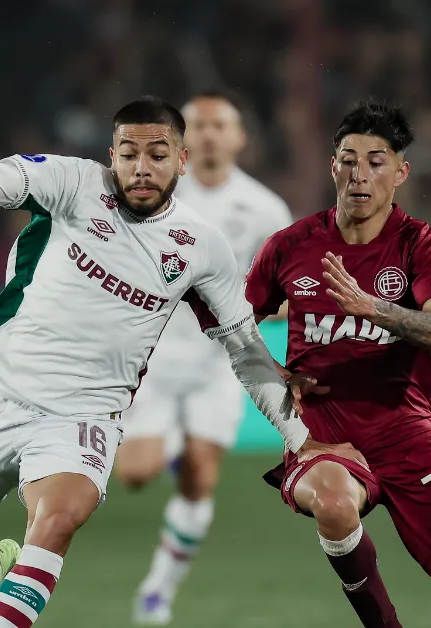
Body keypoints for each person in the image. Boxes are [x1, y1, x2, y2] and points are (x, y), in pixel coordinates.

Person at [0, 96, 337, 628]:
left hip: (85, 415)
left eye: (158, 155)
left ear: (180, 161)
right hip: (0, 394)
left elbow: (246, 349)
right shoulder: (75, 183)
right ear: (112, 154)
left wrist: (299, 436)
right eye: (130, 153)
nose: (142, 168)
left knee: (55, 523)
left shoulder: (202, 248)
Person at [246, 102, 431, 628]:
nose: (360, 173)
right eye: (348, 159)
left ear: (401, 172)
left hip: (408, 437)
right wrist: (276, 373)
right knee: (335, 501)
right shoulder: (289, 247)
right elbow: (232, 327)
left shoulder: (419, 245)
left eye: (377, 161)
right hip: (321, 437)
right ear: (331, 166)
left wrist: (375, 308)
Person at [107, 89, 294, 625]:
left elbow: (284, 291)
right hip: (156, 357)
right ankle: (164, 451)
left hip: (221, 362)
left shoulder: (264, 209)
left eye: (221, 125)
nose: (210, 134)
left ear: (240, 138)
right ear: (183, 142)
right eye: (200, 126)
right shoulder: (154, 192)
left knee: (202, 480)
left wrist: (246, 312)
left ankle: (157, 591)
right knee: (137, 473)